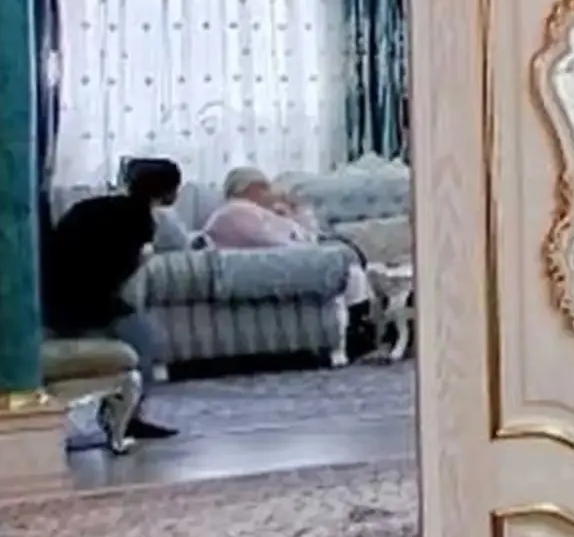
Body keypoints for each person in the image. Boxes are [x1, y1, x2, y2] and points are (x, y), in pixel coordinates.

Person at [41, 158, 183, 443]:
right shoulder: (140, 221)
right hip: (88, 304)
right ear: (167, 191)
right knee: (146, 342)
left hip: (51, 299)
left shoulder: (89, 207)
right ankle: (128, 418)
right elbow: (115, 273)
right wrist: (141, 259)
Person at [203, 168, 377, 352]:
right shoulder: (238, 211)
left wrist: (292, 213)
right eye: (266, 188)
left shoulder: (251, 212)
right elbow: (279, 243)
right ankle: (356, 332)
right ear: (252, 188)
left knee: (351, 268)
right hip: (267, 268)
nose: (271, 193)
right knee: (349, 272)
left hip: (272, 263)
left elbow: (302, 235)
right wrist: (303, 233)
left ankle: (359, 327)